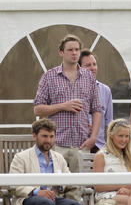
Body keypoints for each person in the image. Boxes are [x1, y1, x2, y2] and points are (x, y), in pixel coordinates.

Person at [9, 119, 83, 205]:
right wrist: (36, 192)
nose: (48, 140)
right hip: (28, 199)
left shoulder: (58, 158)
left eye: (51, 136)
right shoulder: (21, 157)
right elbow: (13, 185)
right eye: (44, 136)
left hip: (52, 199)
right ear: (34, 136)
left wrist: (71, 184)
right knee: (45, 203)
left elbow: (68, 180)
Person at [33, 34, 101, 172]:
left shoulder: (89, 77)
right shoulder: (49, 77)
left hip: (82, 144)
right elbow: (38, 109)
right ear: (61, 53)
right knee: (56, 187)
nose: (74, 53)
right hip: (57, 144)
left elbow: (97, 110)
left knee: (78, 189)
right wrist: (63, 106)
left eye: (77, 49)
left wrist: (93, 138)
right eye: (70, 50)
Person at [78, 50, 113, 152]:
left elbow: (109, 121)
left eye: (94, 64)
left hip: (99, 146)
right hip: (79, 145)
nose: (93, 68)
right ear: (79, 68)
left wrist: (109, 148)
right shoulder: (72, 90)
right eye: (88, 65)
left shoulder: (105, 90)